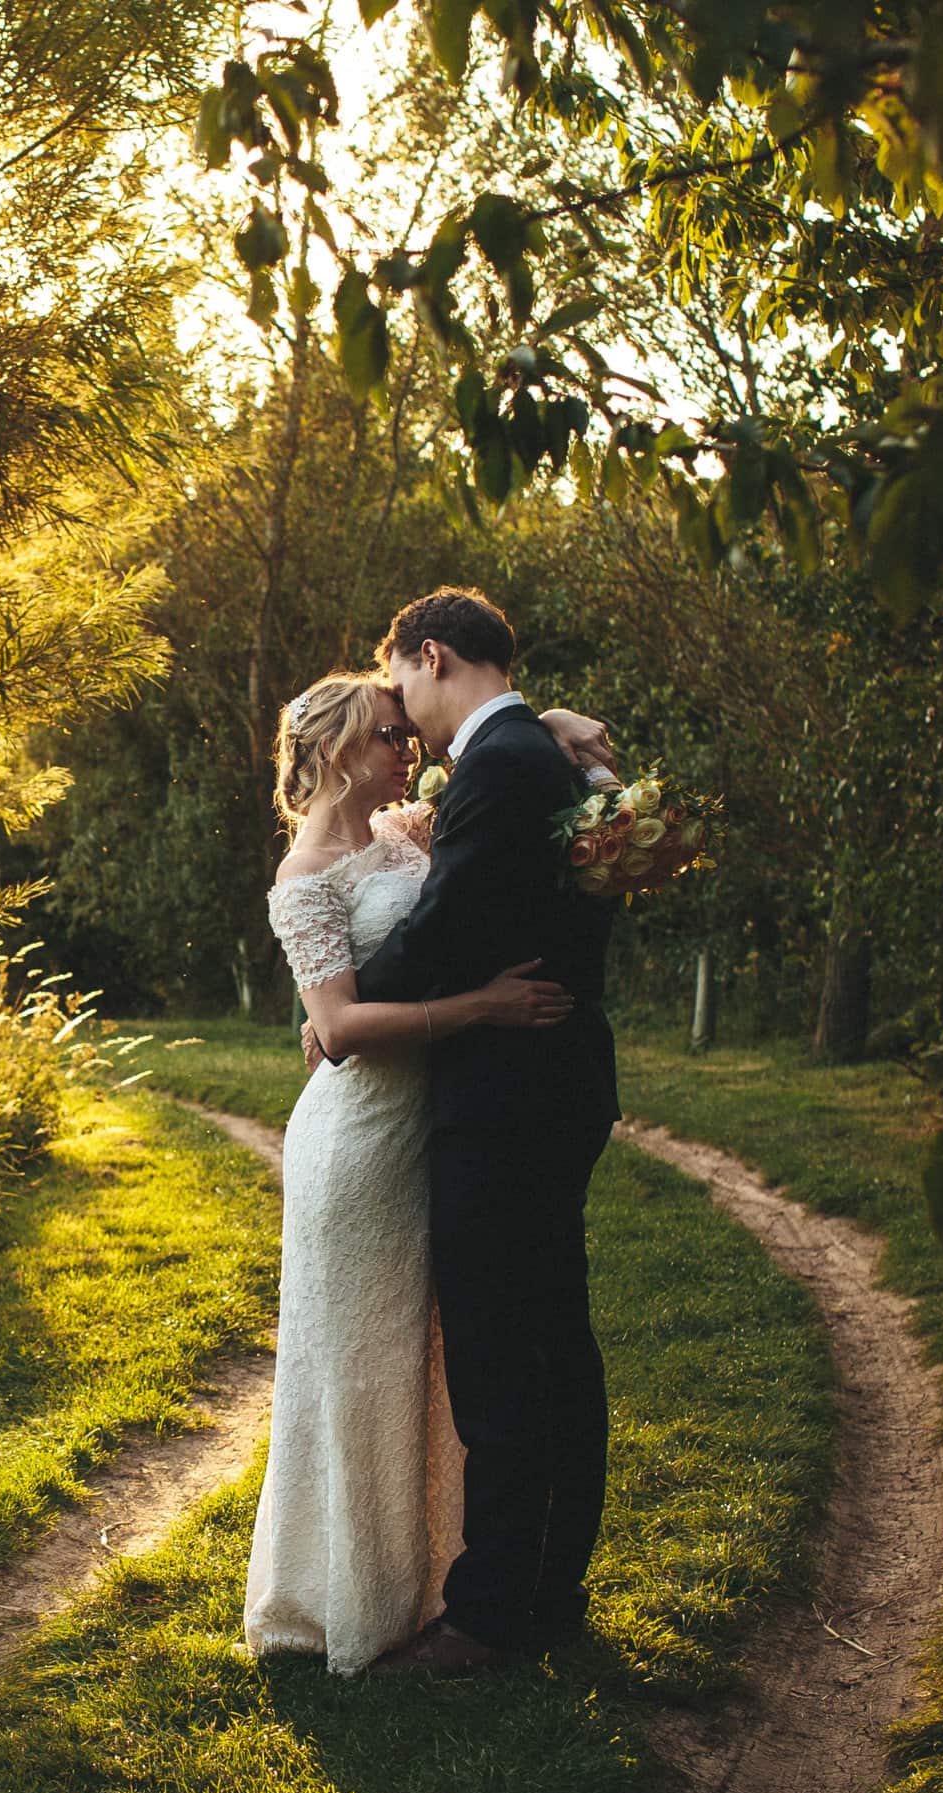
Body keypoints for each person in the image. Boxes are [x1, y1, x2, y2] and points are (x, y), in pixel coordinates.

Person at [242, 661, 611, 1674]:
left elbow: (500, 784)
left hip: (436, 1126)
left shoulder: (407, 831)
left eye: (408, 733)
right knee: (359, 1362)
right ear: (331, 753)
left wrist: (554, 723)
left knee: (439, 1366)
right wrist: (479, 1009)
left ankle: (435, 1578)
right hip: (361, 1144)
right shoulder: (304, 876)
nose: (409, 749)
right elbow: (342, 1024)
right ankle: (345, 1598)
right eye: (386, 736)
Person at [330, 586, 622, 1675]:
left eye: (401, 681)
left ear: (432, 654)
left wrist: (341, 1006)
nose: (403, 712)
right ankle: (549, 1591)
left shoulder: (501, 766)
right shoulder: (534, 756)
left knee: (504, 1361)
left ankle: (491, 1618)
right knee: (555, 1347)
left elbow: (450, 927)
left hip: (506, 1096)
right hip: (553, 1082)